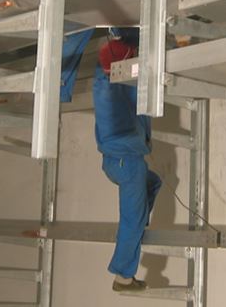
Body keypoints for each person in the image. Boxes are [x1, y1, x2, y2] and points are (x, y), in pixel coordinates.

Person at [92, 28, 161, 292]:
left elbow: (137, 100)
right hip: (126, 162)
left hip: (119, 161)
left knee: (153, 182)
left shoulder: (110, 89)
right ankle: (123, 277)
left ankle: (138, 222)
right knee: (131, 219)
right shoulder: (110, 90)